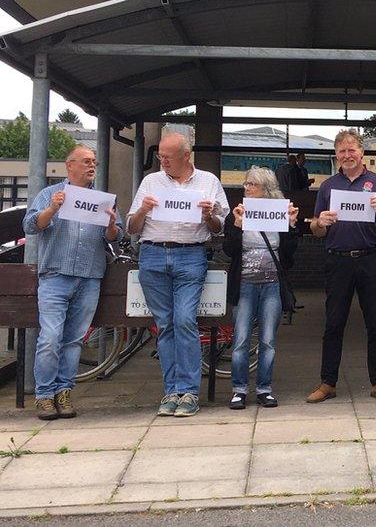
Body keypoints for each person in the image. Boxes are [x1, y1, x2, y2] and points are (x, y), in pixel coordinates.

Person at [127, 131, 228, 417]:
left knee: (184, 320)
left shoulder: (208, 181)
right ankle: (171, 390)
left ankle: (189, 391)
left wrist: (209, 216)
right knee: (165, 324)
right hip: (153, 255)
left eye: (168, 156)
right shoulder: (150, 182)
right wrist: (143, 211)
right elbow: (132, 228)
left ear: (187, 154)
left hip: (191, 255)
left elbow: (219, 227)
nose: (163, 161)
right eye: (160, 156)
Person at [23, 146, 122, 420]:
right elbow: (30, 226)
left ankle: (64, 392)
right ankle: (44, 395)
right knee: (50, 337)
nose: (92, 166)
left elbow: (116, 238)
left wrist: (111, 225)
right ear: (70, 166)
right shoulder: (49, 194)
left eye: (94, 162)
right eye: (87, 161)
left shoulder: (103, 199)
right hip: (55, 275)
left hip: (90, 276)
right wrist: (53, 209)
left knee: (74, 340)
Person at [306, 129, 376, 404]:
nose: (347, 155)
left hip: (370, 258)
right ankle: (327, 382)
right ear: (336, 155)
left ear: (362, 153)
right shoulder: (327, 186)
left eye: (352, 150)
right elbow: (315, 230)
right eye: (342, 151)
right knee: (333, 323)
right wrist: (319, 223)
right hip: (338, 260)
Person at [223, 166, 299, 409]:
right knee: (241, 338)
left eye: (252, 185)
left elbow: (289, 253)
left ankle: (264, 389)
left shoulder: (278, 213)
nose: (247, 188)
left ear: (266, 189)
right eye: (246, 184)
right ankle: (239, 389)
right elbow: (229, 250)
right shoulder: (238, 213)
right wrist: (236, 224)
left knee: (267, 341)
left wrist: (291, 226)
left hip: (271, 285)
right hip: (244, 283)